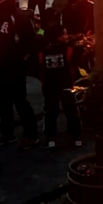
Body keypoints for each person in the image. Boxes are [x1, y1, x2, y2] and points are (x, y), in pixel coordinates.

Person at [0, 0, 39, 150]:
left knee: (20, 100)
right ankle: (7, 132)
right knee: (2, 101)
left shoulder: (17, 16)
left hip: (15, 65)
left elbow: (30, 41)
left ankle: (31, 134)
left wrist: (23, 61)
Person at [39, 11, 82, 150]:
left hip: (49, 86)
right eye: (64, 34)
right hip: (67, 84)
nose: (66, 36)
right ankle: (76, 136)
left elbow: (40, 68)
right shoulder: (69, 49)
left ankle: (51, 137)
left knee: (50, 111)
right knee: (71, 110)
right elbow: (74, 64)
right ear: (58, 37)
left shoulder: (42, 51)